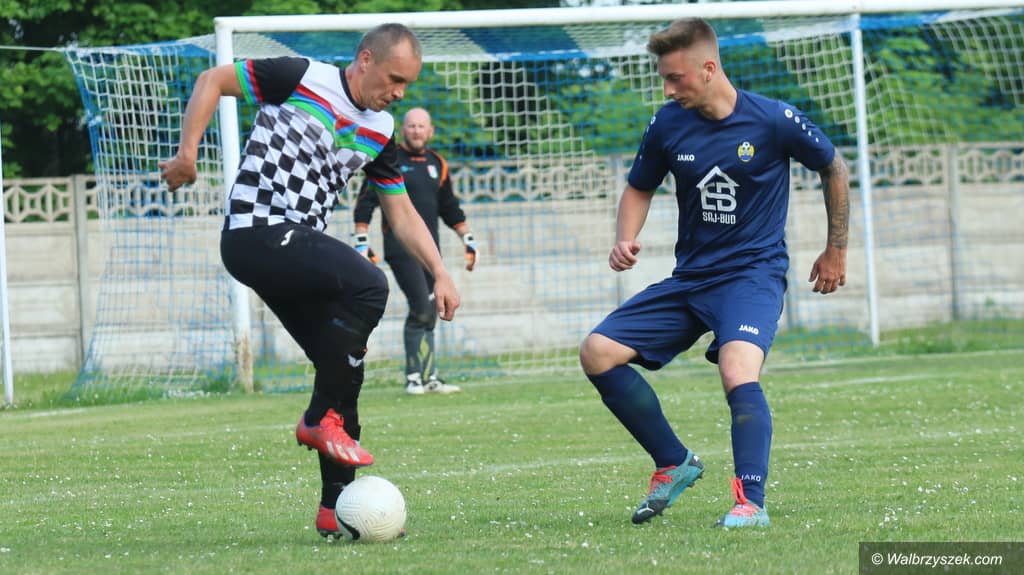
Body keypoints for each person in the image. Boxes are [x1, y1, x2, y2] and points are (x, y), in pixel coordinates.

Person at [158, 23, 461, 539]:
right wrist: (188, 154)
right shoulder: (299, 76)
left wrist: (440, 270)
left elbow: (401, 211)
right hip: (255, 232)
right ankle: (318, 418)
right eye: (394, 79)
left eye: (407, 84)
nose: (399, 92)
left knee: (344, 372)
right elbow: (212, 80)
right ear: (365, 60)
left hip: (293, 249)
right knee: (371, 285)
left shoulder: (381, 130)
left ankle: (335, 511)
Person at [578, 18, 849, 529]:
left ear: (708, 68)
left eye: (675, 78)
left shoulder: (773, 120)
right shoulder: (667, 124)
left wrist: (836, 249)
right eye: (663, 78)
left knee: (736, 369)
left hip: (752, 275)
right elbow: (639, 186)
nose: (667, 89)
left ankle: (751, 503)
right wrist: (625, 236)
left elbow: (833, 166)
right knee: (597, 352)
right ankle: (673, 462)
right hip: (692, 279)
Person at [353, 107, 476, 395]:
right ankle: (412, 377)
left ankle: (430, 377)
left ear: (430, 131)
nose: (416, 131)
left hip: (430, 252)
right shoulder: (388, 159)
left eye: (422, 126)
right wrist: (361, 241)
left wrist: (468, 239)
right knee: (421, 306)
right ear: (403, 129)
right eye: (411, 126)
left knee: (432, 310)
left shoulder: (437, 164)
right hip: (400, 249)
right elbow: (366, 201)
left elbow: (449, 207)